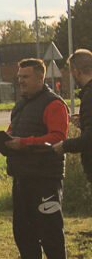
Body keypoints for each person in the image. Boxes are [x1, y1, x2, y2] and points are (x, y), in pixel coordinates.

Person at [4, 58, 69, 259]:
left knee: (50, 230)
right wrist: (6, 139)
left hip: (45, 177)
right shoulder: (21, 103)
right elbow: (14, 130)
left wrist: (24, 143)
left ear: (40, 78)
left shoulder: (54, 104)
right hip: (22, 176)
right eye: (19, 77)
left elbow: (58, 138)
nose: (21, 81)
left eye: (26, 77)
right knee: (23, 231)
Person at [54, 48, 92, 181]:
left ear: (76, 72)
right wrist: (84, 122)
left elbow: (89, 139)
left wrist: (64, 146)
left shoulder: (89, 96)